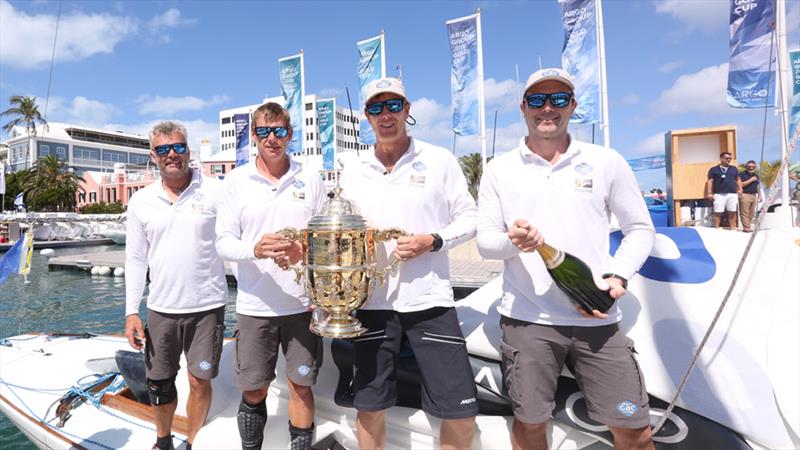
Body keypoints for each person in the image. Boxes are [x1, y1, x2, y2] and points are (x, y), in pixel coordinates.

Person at [476, 68, 656, 450]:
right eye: (538, 100)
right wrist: (516, 243)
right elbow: (486, 244)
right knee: (529, 425)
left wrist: (617, 275)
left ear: (573, 106)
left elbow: (640, 228)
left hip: (597, 318)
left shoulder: (605, 161)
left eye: (558, 99)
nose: (548, 108)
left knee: (635, 432)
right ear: (523, 107)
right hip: (528, 321)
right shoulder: (498, 169)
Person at [339, 77, 479, 450]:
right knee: (369, 407)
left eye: (393, 106)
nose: (386, 115)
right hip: (371, 303)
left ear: (408, 110)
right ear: (365, 116)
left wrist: (431, 241)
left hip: (430, 299)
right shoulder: (352, 169)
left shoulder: (439, 160)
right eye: (376, 108)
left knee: (460, 410)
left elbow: (470, 219)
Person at [215, 102, 327, 450]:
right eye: (264, 131)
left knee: (301, 386)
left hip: (302, 306)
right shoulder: (235, 181)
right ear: (253, 136)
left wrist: (303, 251)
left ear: (290, 134)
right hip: (254, 307)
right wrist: (256, 249)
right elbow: (223, 243)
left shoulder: (310, 177)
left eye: (279, 130)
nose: (272, 138)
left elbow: (325, 237)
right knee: (254, 389)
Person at [124, 121, 227, 450]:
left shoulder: (216, 191)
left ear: (189, 152)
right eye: (164, 150)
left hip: (207, 307)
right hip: (161, 309)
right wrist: (130, 311)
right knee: (160, 383)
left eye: (179, 148)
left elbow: (237, 240)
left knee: (200, 381)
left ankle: (194, 441)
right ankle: (164, 439)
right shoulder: (141, 202)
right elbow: (136, 260)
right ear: (153, 155)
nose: (172, 155)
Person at [706, 152, 742, 230]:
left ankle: (733, 228)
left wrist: (740, 189)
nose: (728, 160)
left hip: (732, 193)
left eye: (730, 158)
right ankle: (717, 228)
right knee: (718, 212)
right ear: (721, 159)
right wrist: (709, 193)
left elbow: (738, 179)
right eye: (726, 158)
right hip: (719, 194)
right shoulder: (714, 169)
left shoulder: (734, 168)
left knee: (732, 211)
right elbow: (710, 181)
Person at [738, 160, 760, 232]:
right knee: (745, 212)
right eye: (749, 166)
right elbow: (740, 184)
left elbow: (757, 186)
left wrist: (760, 195)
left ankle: (748, 226)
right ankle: (746, 227)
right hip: (745, 194)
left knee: (751, 213)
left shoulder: (756, 175)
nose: (751, 168)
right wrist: (751, 180)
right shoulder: (741, 174)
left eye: (753, 167)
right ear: (746, 167)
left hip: (753, 195)